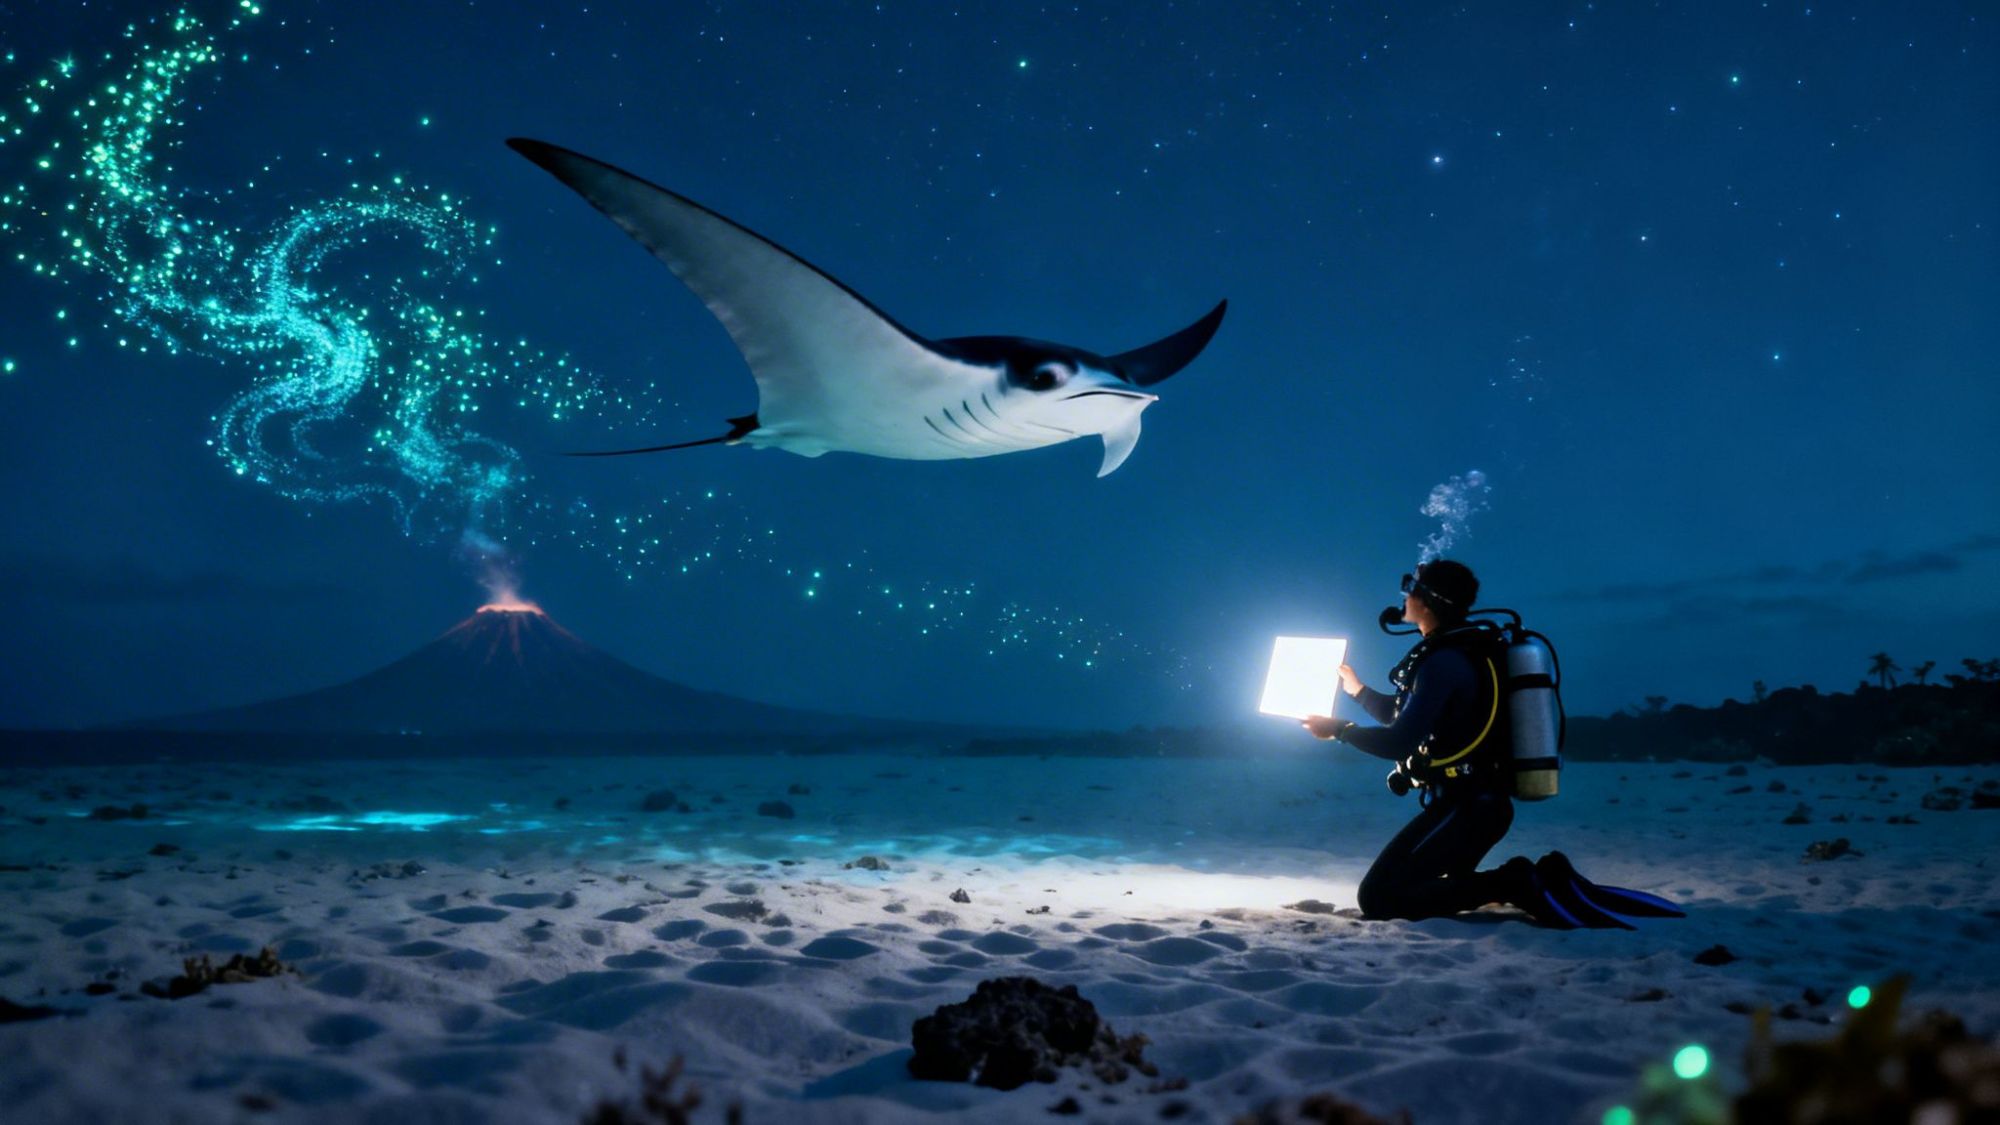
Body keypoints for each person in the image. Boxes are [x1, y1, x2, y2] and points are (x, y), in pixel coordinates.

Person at [1303, 560, 1683, 929]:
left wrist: (1341, 730)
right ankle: (1516, 880)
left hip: (1468, 809)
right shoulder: (1453, 654)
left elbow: (1399, 741)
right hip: (1470, 806)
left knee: (1379, 899)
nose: (1403, 597)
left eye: (1410, 589)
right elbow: (1403, 717)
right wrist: (1357, 690)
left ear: (1428, 601)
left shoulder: (1444, 662)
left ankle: (1513, 881)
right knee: (1411, 890)